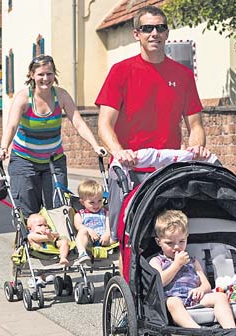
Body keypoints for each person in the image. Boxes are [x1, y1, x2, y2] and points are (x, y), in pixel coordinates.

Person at [95, 5, 209, 244]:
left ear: (167, 33)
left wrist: (196, 147)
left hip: (167, 170)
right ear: (137, 34)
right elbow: (104, 123)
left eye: (160, 27)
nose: (154, 33)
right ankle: (124, 276)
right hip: (130, 168)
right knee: (126, 239)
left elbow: (195, 125)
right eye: (147, 28)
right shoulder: (121, 71)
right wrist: (119, 152)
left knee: (171, 236)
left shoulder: (183, 75)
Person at [0, 54, 105, 216]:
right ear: (32, 75)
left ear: (54, 74)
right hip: (24, 161)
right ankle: (28, 240)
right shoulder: (24, 98)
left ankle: (59, 241)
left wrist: (96, 146)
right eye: (40, 74)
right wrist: (3, 148)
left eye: (49, 73)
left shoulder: (61, 95)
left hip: (54, 161)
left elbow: (79, 123)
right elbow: (11, 125)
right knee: (27, 213)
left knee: (59, 209)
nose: (45, 78)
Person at [150, 210, 236, 336]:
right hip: (171, 300)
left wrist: (200, 289)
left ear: (187, 238)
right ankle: (198, 332)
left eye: (181, 241)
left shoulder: (192, 260)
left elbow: (207, 285)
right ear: (159, 242)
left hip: (193, 299)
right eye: (169, 243)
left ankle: (231, 332)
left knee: (220, 296)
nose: (176, 247)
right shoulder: (157, 261)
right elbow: (160, 282)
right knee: (173, 302)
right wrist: (176, 264)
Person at [73, 179, 116, 266]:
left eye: (100, 201)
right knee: (82, 231)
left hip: (105, 239)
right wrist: (89, 230)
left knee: (117, 236)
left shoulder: (105, 212)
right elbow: (78, 226)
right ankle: (82, 253)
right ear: (82, 202)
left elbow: (109, 226)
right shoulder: (80, 215)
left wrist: (107, 234)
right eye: (92, 202)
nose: (96, 205)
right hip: (88, 240)